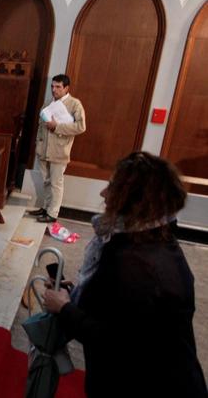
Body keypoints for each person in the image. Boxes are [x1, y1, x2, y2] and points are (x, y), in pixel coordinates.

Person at [43, 152, 207, 398]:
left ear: (132, 201)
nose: (103, 194)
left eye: (112, 187)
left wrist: (65, 309)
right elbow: (121, 309)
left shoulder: (137, 265)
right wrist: (80, 291)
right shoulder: (150, 241)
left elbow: (117, 343)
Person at [29, 74, 86, 223]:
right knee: (46, 181)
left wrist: (58, 127)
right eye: (52, 86)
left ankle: (52, 214)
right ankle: (46, 208)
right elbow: (41, 125)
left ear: (66, 88)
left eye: (58, 87)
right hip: (43, 149)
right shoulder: (48, 102)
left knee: (56, 183)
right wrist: (38, 143)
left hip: (59, 150)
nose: (54, 90)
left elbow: (81, 127)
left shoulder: (75, 104)